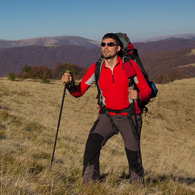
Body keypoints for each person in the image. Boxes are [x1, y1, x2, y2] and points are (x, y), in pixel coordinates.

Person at [61, 33, 152, 184]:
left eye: (110, 44)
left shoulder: (129, 66)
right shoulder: (97, 68)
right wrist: (70, 84)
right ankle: (90, 184)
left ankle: (137, 187)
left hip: (129, 116)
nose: (106, 47)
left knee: (133, 154)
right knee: (92, 146)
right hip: (107, 115)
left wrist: (139, 96)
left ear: (118, 48)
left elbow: (147, 92)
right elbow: (79, 92)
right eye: (103, 44)